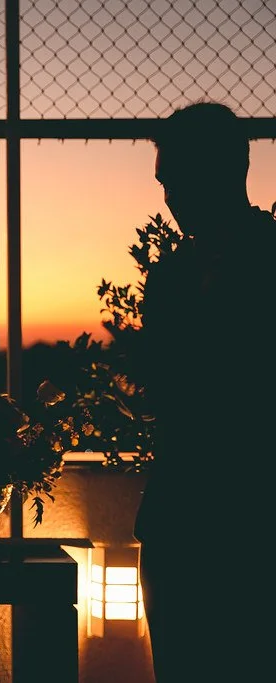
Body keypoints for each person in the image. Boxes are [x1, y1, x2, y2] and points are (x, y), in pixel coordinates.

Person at [135, 101, 276, 682]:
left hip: (247, 523)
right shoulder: (168, 276)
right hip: (181, 523)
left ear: (226, 171)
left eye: (177, 180)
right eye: (165, 182)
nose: (168, 196)